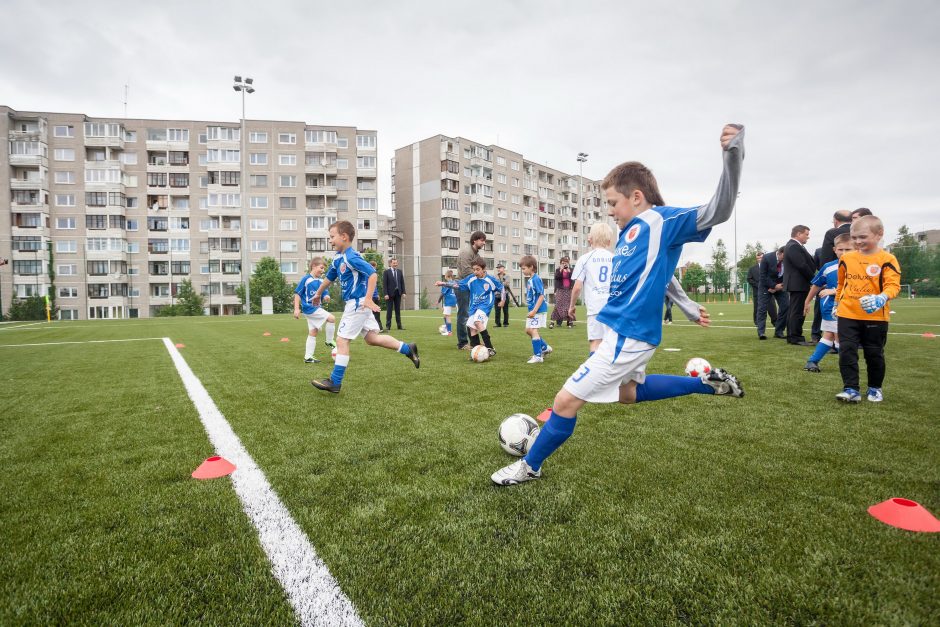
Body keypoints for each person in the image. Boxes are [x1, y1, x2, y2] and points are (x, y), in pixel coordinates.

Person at [491, 123, 746, 486]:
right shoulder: (631, 232)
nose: (610, 212)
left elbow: (717, 211)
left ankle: (529, 467)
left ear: (637, 197)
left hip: (629, 335)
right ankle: (707, 384)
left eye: (613, 203)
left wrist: (732, 155)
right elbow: (663, 273)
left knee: (564, 401)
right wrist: (686, 304)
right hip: (620, 332)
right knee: (627, 393)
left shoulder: (664, 219)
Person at [309, 221, 419, 393]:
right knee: (371, 339)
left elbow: (373, 274)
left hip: (358, 304)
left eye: (332, 237)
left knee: (341, 340)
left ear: (344, 237)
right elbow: (329, 278)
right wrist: (318, 294)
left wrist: (367, 298)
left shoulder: (352, 257)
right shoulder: (338, 258)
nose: (330, 240)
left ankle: (335, 382)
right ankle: (407, 348)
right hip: (357, 304)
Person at [834, 215, 901, 403]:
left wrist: (881, 297)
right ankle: (850, 388)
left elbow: (893, 286)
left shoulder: (887, 259)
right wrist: (837, 303)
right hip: (847, 313)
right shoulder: (846, 258)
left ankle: (874, 388)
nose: (857, 241)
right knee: (846, 350)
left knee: (874, 353)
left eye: (863, 237)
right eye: (854, 237)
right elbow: (841, 284)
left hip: (876, 317)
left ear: (879, 234)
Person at [802, 233, 854, 372]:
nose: (843, 253)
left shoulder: (859, 267)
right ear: (834, 250)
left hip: (852, 307)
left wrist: (833, 291)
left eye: (848, 249)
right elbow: (816, 285)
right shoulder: (828, 267)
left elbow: (855, 288)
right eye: (840, 249)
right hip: (831, 307)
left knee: (832, 335)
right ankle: (846, 367)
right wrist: (807, 301)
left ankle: (813, 361)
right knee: (835, 334)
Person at [437, 257, 503, 357]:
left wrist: (503, 300)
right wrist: (444, 284)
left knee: (477, 321)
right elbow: (458, 284)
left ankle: (490, 348)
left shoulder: (490, 280)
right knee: (471, 327)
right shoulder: (471, 278)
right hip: (474, 306)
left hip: (485, 305)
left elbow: (501, 288)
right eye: (474, 269)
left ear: (483, 269)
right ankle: (477, 351)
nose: (475, 272)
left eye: (478, 269)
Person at [569, 221, 615, 354]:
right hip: (613, 307)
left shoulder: (584, 259)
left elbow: (577, 287)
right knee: (612, 344)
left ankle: (595, 375)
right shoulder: (615, 258)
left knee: (595, 343)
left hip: (595, 307)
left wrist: (572, 306)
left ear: (590, 239)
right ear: (609, 241)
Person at [293, 257, 336, 363]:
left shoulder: (322, 280)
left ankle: (308, 357)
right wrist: (296, 309)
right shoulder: (306, 279)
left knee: (313, 331)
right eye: (321, 268)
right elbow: (297, 294)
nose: (322, 271)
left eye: (324, 269)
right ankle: (329, 341)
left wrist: (327, 297)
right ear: (313, 266)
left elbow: (325, 293)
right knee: (332, 318)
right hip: (310, 308)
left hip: (316, 308)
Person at [783, 225, 816, 345]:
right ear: (798, 234)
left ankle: (793, 336)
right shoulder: (793, 246)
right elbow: (801, 265)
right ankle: (795, 337)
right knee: (797, 311)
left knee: (795, 310)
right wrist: (814, 280)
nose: (808, 237)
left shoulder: (794, 246)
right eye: (806, 234)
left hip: (798, 283)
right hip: (798, 284)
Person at [455, 232, 487, 350]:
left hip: (470, 287)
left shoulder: (476, 255)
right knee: (463, 315)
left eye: (484, 240)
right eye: (482, 240)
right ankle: (462, 343)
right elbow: (466, 272)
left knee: (472, 315)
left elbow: (481, 269)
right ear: (474, 241)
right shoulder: (466, 253)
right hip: (462, 286)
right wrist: (481, 278)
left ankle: (474, 343)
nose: (484, 243)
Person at [520, 255, 551, 364]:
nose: (522, 271)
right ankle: (545, 347)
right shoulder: (530, 279)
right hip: (533, 310)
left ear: (531, 267)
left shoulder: (536, 279)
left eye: (524, 268)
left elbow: (542, 296)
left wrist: (534, 310)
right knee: (528, 330)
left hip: (538, 310)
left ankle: (538, 356)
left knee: (533, 330)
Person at [756, 247, 786, 339]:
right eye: (785, 256)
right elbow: (763, 276)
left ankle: (779, 331)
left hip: (780, 286)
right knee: (762, 309)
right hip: (766, 286)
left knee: (786, 306)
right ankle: (761, 333)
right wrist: (773, 286)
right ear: (780, 253)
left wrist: (780, 286)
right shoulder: (767, 258)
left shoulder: (788, 260)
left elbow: (789, 274)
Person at [551, 256, 575, 328]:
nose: (564, 264)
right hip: (560, 289)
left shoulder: (571, 270)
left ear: (568, 263)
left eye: (565, 263)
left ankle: (569, 321)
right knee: (558, 305)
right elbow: (556, 278)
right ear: (560, 263)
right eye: (562, 263)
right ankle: (557, 321)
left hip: (569, 290)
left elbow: (573, 278)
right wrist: (561, 270)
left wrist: (569, 271)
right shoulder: (558, 270)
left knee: (569, 305)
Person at [383, 258, 405, 331]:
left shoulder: (399, 272)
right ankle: (388, 326)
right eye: (394, 263)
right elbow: (384, 284)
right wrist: (385, 294)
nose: (395, 264)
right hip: (389, 294)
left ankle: (399, 326)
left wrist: (403, 292)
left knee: (398, 310)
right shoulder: (386, 272)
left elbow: (402, 283)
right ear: (390, 264)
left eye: (396, 263)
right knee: (389, 310)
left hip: (398, 293)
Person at [436, 270, 457, 335]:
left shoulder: (445, 284)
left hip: (448, 301)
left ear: (446, 276)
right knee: (445, 316)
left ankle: (449, 332)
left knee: (447, 316)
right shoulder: (454, 282)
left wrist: (438, 301)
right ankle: (446, 327)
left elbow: (442, 294)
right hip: (455, 300)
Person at [746, 252, 763, 326]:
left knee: (771, 308)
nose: (759, 259)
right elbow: (749, 279)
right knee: (757, 307)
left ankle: (775, 321)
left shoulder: (769, 267)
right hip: (757, 291)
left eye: (761, 258)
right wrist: (758, 285)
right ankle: (756, 321)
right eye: (758, 258)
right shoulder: (752, 269)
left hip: (769, 291)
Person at [368, 261, 383, 329]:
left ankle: (379, 327)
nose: (375, 269)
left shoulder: (373, 274)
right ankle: (372, 328)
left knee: (377, 313)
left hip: (375, 297)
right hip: (371, 298)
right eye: (374, 267)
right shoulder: (367, 274)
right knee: (370, 313)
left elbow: (375, 286)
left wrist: (377, 294)